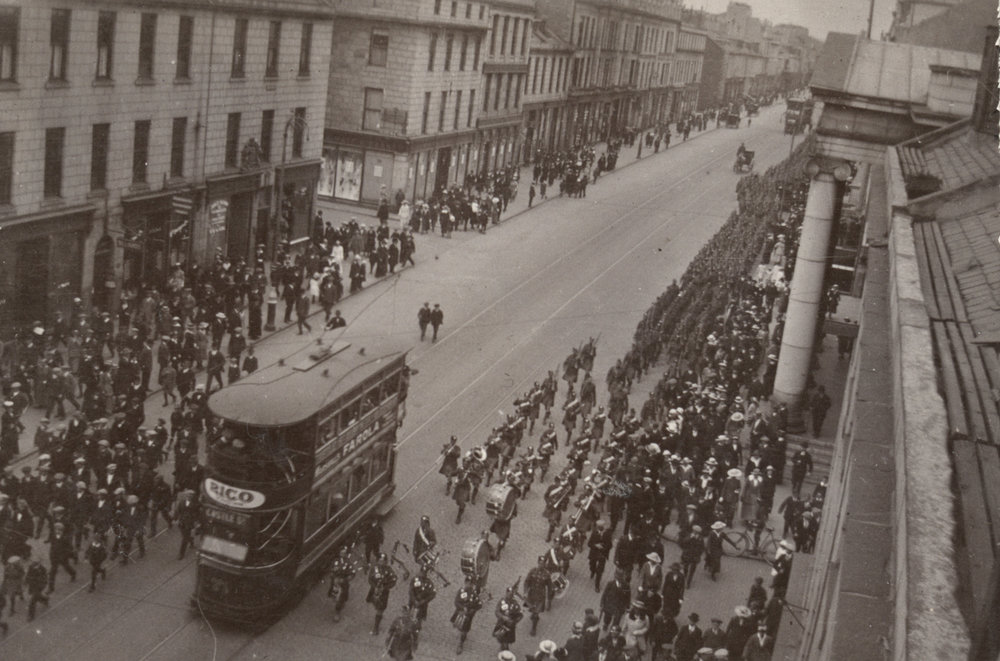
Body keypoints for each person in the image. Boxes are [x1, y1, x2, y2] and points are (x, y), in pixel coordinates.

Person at [451, 575, 484, 654]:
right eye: (467, 583)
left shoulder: (474, 594)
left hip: (469, 616)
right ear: (465, 582)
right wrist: (462, 608)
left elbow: (479, 605)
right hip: (460, 613)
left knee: (464, 631)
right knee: (458, 625)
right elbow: (456, 602)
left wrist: (472, 610)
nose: (469, 585)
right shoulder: (461, 591)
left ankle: (461, 644)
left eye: (471, 584)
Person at [366, 552, 398, 635]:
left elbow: (393, 581)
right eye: (380, 560)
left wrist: (385, 587)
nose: (381, 562)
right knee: (375, 605)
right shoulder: (374, 568)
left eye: (383, 561)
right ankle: (378, 615)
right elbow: (370, 579)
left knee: (380, 609)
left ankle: (376, 627)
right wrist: (374, 586)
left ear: (386, 562)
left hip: (383, 592)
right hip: (374, 590)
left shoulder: (389, 570)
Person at [524, 555, 553, 635]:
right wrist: (525, 592)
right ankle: (534, 614)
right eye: (540, 563)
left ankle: (534, 628)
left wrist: (549, 598)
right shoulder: (532, 571)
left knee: (536, 613)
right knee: (532, 609)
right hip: (532, 594)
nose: (541, 565)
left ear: (545, 564)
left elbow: (550, 586)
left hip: (540, 596)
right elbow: (527, 582)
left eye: (543, 564)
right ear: (538, 563)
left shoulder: (547, 574)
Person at [327, 546, 356, 622]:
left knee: (341, 599)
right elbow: (330, 570)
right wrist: (333, 574)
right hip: (335, 583)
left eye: (344, 553)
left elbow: (352, 574)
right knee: (335, 597)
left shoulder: (348, 563)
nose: (342, 554)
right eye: (341, 553)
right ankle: (338, 605)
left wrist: (345, 579)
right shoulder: (335, 561)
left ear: (346, 554)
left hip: (343, 584)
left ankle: (337, 613)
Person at [493, 586, 523, 651]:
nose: (509, 596)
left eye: (511, 594)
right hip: (502, 623)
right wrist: (503, 617)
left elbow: (520, 615)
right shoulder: (502, 601)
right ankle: (503, 646)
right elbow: (497, 611)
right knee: (501, 637)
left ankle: (505, 647)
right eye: (508, 594)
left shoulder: (515, 603)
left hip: (510, 625)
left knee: (507, 638)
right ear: (506, 593)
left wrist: (514, 621)